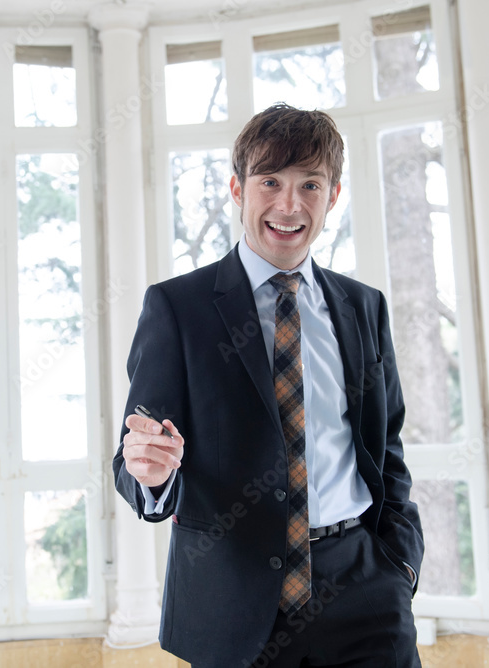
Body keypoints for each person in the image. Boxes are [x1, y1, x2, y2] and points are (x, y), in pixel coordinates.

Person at [113, 103, 424, 667]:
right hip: (233, 602)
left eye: (310, 185)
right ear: (238, 189)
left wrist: (399, 566)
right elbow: (135, 457)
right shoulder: (178, 308)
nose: (289, 205)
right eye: (270, 182)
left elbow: (388, 448)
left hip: (365, 592)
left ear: (332, 196)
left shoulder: (363, 306)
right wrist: (152, 476)